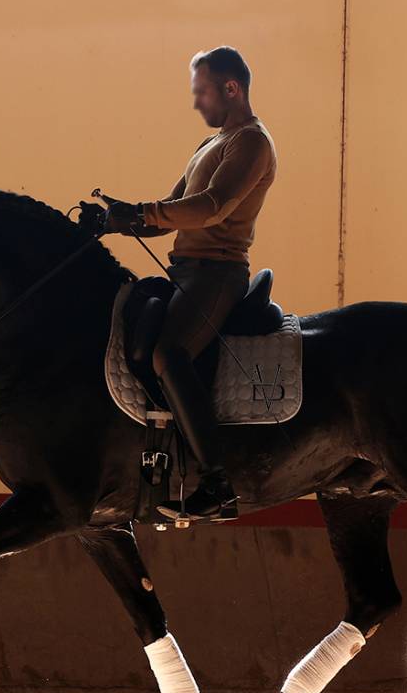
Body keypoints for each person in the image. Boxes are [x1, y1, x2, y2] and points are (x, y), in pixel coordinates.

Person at [103, 45, 277, 522]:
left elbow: (212, 207)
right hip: (185, 269)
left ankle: (218, 484)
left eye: (202, 92)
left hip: (217, 273)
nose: (196, 102)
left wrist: (142, 212)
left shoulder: (252, 143)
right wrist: (118, 221)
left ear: (231, 88)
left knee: (169, 352)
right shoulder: (210, 144)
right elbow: (171, 213)